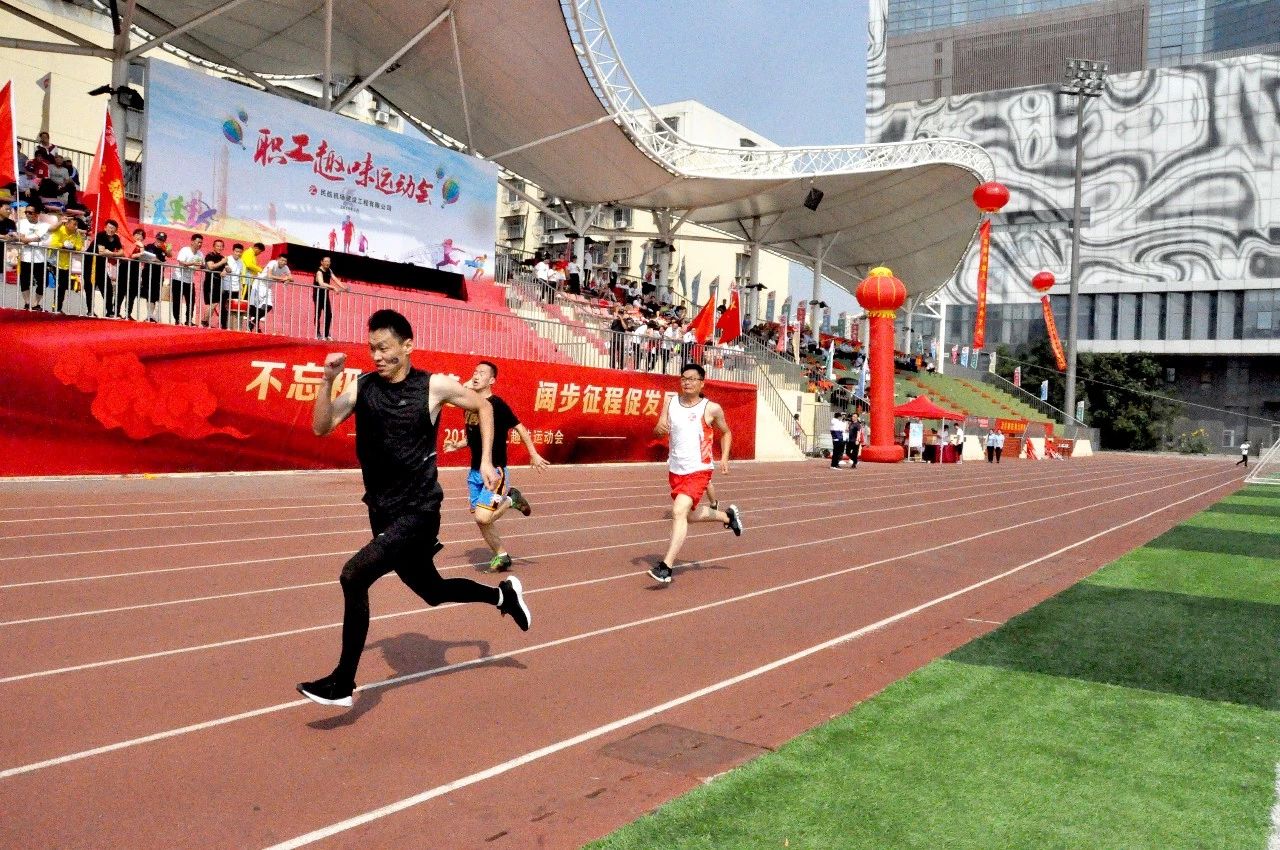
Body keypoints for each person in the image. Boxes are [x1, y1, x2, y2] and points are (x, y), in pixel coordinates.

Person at [296, 310, 531, 708]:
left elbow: (484, 407)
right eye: (372, 348)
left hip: (419, 511)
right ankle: (502, 597)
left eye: (384, 348)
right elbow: (322, 426)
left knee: (354, 576)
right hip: (382, 511)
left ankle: (342, 684)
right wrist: (327, 380)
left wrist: (486, 461)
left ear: (407, 346)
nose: (377, 356)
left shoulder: (432, 386)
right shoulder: (363, 386)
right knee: (432, 591)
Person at [442, 360, 550, 572]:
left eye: (482, 373)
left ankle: (511, 499)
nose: (476, 375)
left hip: (495, 472)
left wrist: (533, 454)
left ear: (492, 380)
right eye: (475, 372)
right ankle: (501, 555)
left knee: (483, 516)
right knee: (481, 519)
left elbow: (520, 428)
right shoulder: (470, 404)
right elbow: (476, 435)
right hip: (475, 473)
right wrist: (458, 444)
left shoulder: (496, 404)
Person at [647, 363, 743, 584]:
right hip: (676, 469)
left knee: (678, 511)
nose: (687, 382)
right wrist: (658, 429)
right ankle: (728, 517)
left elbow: (726, 432)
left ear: (702, 383)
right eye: (683, 378)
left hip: (699, 469)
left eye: (692, 379)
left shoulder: (711, 408)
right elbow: (658, 431)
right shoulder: (670, 403)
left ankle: (666, 567)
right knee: (688, 516)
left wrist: (724, 457)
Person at [15, 206, 49, 310]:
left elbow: (46, 242)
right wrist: (35, 239)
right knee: (24, 281)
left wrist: (28, 240)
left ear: (37, 214)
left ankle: (35, 304)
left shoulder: (44, 225)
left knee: (43, 282)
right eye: (26, 212)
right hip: (25, 257)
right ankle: (27, 303)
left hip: (40, 258)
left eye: (30, 212)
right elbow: (21, 239)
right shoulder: (21, 223)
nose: (27, 214)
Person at [248, 250, 290, 332]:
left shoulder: (286, 267)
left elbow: (291, 278)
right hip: (259, 284)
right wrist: (283, 278)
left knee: (269, 306)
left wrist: (287, 279)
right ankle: (255, 326)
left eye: (285, 261)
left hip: (268, 287)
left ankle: (253, 322)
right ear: (278, 259)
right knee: (256, 307)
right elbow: (269, 275)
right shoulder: (272, 263)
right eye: (282, 260)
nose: (283, 262)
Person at [313, 255, 348, 340]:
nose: (327, 263)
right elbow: (321, 283)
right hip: (317, 295)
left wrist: (344, 287)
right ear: (321, 262)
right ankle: (317, 333)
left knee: (329, 315)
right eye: (325, 261)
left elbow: (335, 279)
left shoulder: (329, 270)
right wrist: (333, 287)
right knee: (318, 314)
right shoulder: (319, 272)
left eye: (329, 261)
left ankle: (326, 334)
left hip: (325, 295)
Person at [172, 234, 204, 326]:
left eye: (201, 243)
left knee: (191, 301)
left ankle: (189, 320)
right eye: (198, 242)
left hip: (189, 280)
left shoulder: (200, 254)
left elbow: (201, 265)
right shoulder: (185, 250)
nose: (199, 244)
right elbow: (181, 262)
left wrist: (201, 266)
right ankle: (177, 319)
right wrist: (193, 263)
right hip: (178, 278)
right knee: (177, 300)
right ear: (192, 242)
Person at [201, 239, 227, 327]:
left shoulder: (222, 257)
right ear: (214, 247)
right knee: (211, 303)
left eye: (221, 246)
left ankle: (205, 321)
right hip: (210, 282)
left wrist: (225, 271)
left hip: (218, 283)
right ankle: (204, 321)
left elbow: (227, 268)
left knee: (214, 303)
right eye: (217, 246)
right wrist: (222, 262)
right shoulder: (210, 255)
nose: (219, 248)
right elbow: (211, 267)